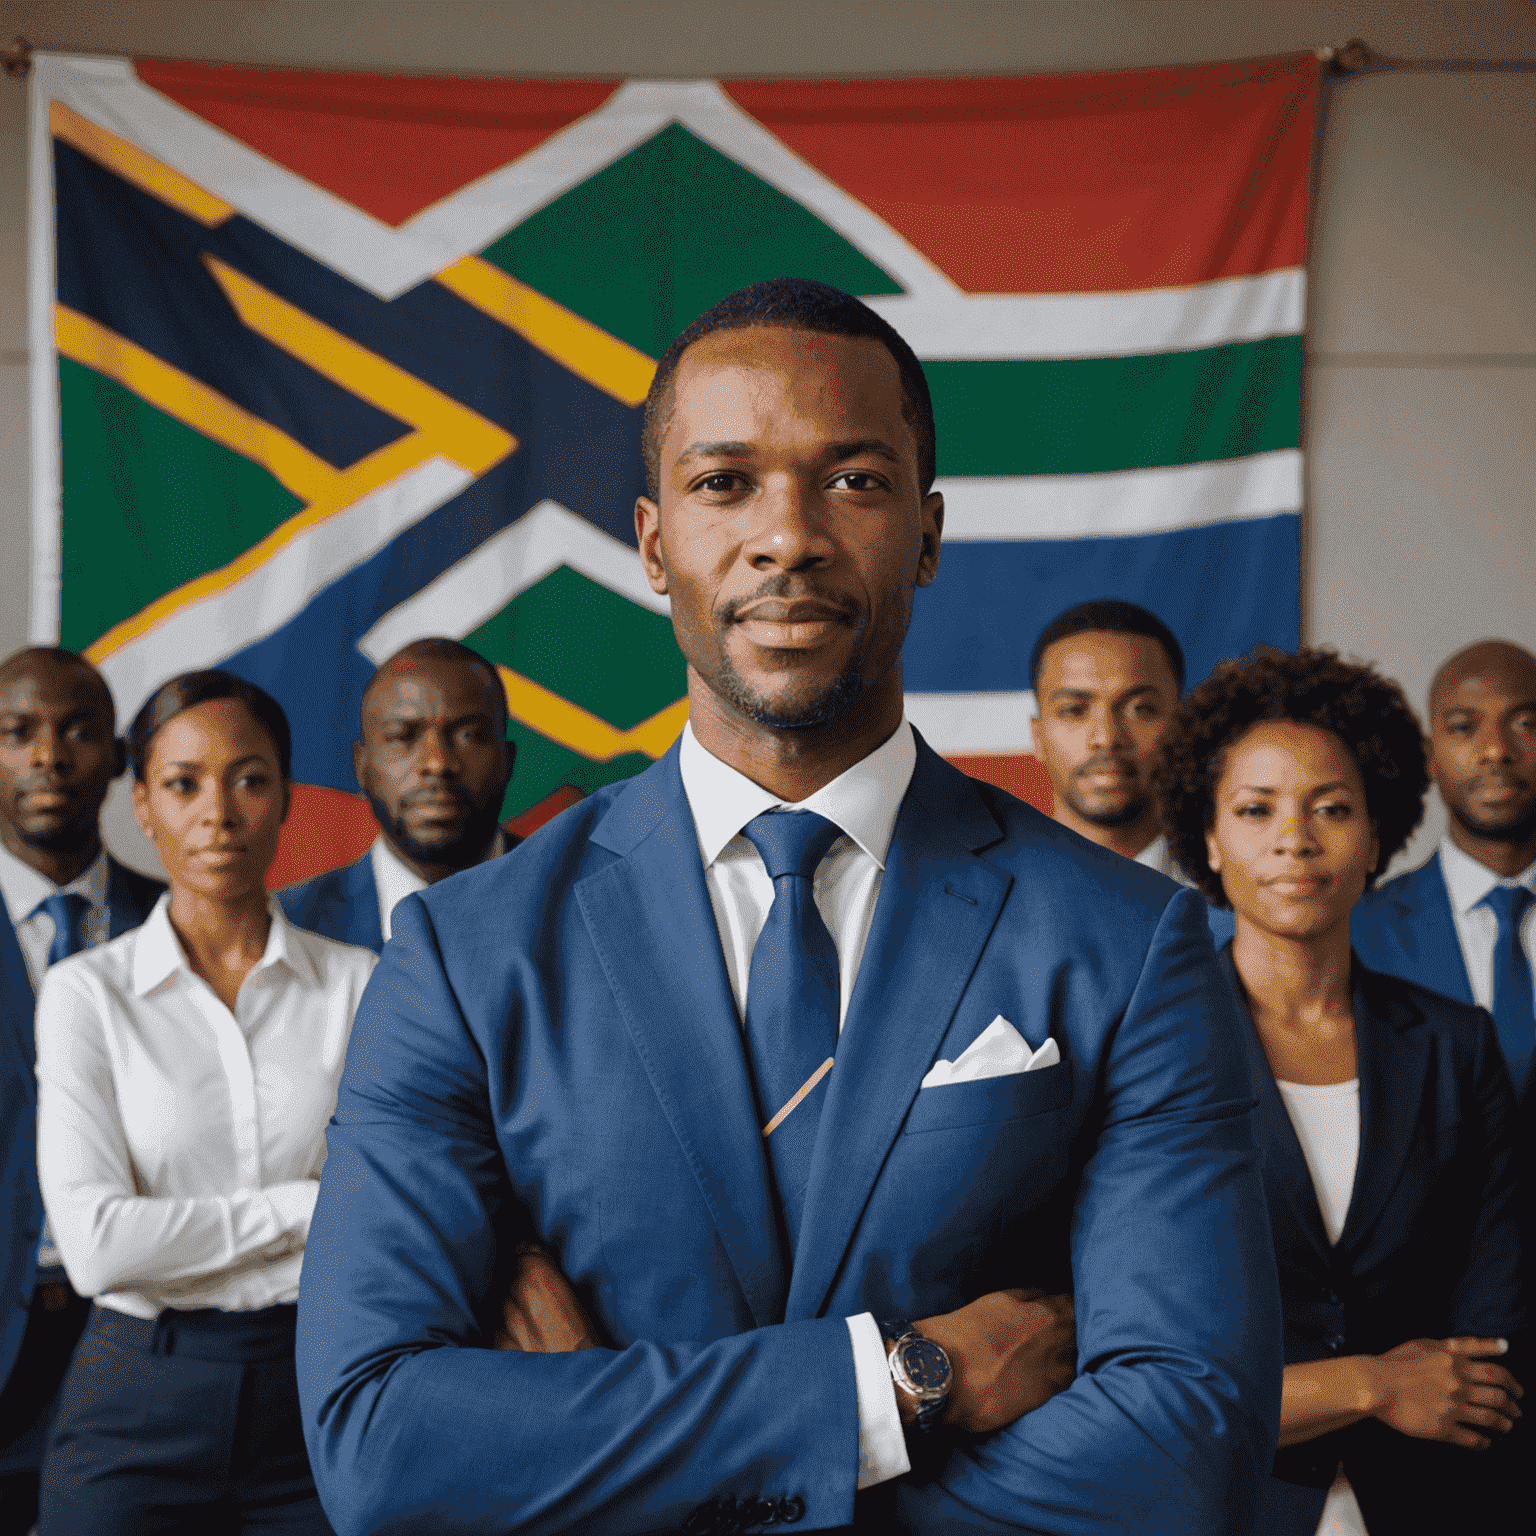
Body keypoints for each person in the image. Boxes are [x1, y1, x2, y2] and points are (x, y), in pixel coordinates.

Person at [295, 278, 1282, 1535]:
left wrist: (603, 1460)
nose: (789, 537)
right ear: (654, 545)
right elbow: (379, 1445)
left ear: (926, 534)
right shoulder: (463, 952)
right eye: (725, 485)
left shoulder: (1129, 942)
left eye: (854, 482)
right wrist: (894, 1390)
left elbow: (1188, 1447)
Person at [1156, 648, 1526, 1535]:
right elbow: (1141, 1380)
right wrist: (1370, 1385)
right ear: (1210, 838)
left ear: (1379, 833)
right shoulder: (1149, 1049)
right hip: (1218, 1508)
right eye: (1256, 810)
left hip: (1438, 1501)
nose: (1295, 840)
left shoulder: (1454, 1044)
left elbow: (1493, 1339)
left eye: (1332, 808)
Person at [34, 670, 376, 1533]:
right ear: (142, 806)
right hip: (139, 1393)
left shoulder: (357, 985)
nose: (217, 813)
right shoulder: (86, 996)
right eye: (183, 785)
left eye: (249, 780)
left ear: (287, 798)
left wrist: (194, 1230)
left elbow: (379, 1213)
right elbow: (99, 1249)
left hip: (321, 1381)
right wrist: (303, 1206)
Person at [0, 646, 163, 1534]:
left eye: (76, 731)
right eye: (17, 732)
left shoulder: (188, 929)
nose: (49, 757)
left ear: (117, 755)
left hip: (142, 1345)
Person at [1353, 640, 1536, 1099]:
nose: (1495, 749)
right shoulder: (1360, 931)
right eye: (1463, 727)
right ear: (1431, 756)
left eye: (1526, 723)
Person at [279, 639, 518, 952]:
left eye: (469, 735)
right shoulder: (287, 930)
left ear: (508, 759)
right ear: (361, 766)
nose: (437, 763)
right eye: (403, 736)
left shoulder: (584, 897)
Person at [1028, 600, 1186, 875]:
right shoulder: (979, 903)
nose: (1107, 737)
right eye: (1073, 710)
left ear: (1182, 727)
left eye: (1140, 708)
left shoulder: (1246, 905)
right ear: (1037, 736)